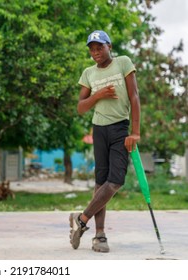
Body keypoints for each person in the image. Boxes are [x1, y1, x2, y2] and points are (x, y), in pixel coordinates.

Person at [70, 30, 140, 253]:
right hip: (99, 129)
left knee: (115, 180)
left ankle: (81, 219)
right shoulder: (88, 73)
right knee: (101, 182)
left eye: (99, 47)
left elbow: (134, 97)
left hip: (120, 128)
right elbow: (81, 107)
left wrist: (135, 132)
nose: (95, 52)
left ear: (109, 46)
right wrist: (98, 94)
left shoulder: (123, 63)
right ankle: (99, 236)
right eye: (91, 49)